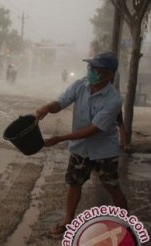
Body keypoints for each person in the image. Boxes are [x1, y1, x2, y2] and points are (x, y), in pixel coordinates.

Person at [35, 52, 129, 234]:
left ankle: (125, 224)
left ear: (109, 75)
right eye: (90, 67)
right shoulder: (80, 85)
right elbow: (60, 103)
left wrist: (60, 139)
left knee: (112, 186)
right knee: (74, 183)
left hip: (104, 151)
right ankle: (68, 221)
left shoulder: (113, 99)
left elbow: (93, 130)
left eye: (97, 69)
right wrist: (47, 107)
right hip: (80, 149)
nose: (91, 71)